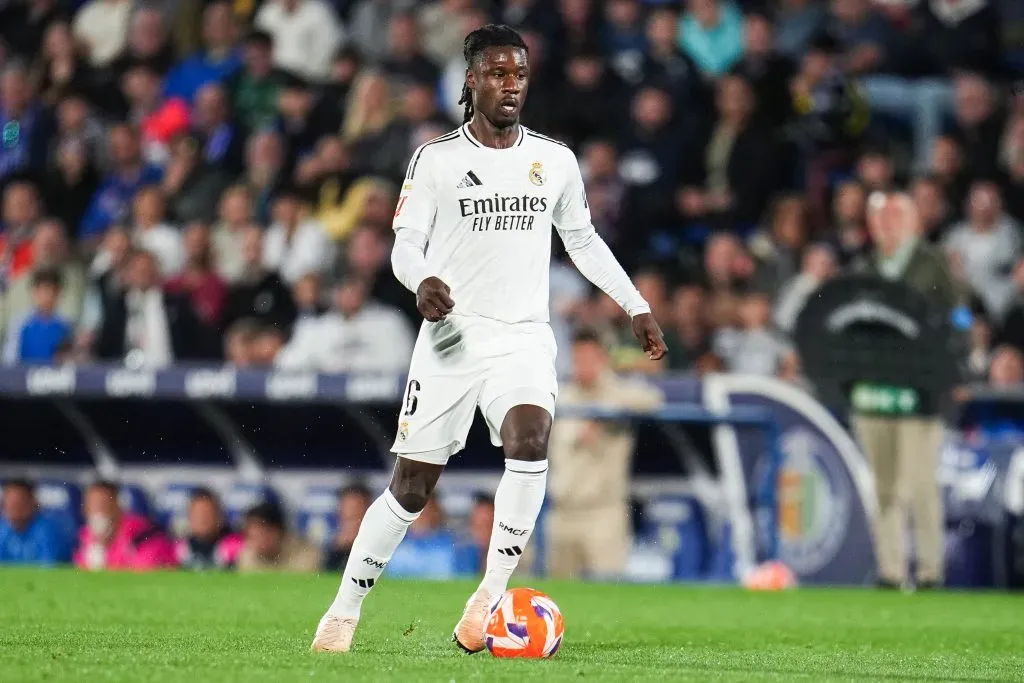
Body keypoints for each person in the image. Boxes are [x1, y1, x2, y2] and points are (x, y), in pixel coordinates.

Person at [310, 24, 667, 654]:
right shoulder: (436, 159)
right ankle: (344, 611)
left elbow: (581, 239)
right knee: (413, 486)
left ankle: (487, 598)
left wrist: (634, 305)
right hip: (451, 339)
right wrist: (421, 281)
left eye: (519, 74)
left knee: (531, 440)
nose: (510, 85)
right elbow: (404, 246)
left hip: (524, 336)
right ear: (470, 80)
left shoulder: (553, 160)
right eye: (497, 73)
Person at [852, 192, 958, 590]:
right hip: (875, 387)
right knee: (884, 483)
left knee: (919, 482)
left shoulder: (931, 264)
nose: (886, 223)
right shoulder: (865, 266)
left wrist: (952, 368)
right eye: (880, 216)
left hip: (921, 388)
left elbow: (959, 314)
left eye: (895, 216)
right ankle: (891, 569)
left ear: (912, 221)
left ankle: (930, 570)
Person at [547, 329, 663, 579]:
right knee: (557, 591)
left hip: (603, 512)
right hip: (562, 511)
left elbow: (654, 400)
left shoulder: (617, 394)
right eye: (578, 359)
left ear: (602, 360)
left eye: (589, 359)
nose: (583, 366)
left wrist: (606, 411)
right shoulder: (562, 397)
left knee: (608, 591)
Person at [73, 481, 176, 571]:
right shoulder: (86, 537)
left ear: (117, 506)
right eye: (91, 506)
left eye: (102, 504)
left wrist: (106, 558)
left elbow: (144, 570)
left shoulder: (141, 533)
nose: (97, 512)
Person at [237, 501, 321, 573]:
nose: (252, 544)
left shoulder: (305, 554)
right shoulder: (247, 555)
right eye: (249, 537)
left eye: (256, 536)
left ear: (275, 532)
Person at [174, 488, 243, 570]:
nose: (203, 519)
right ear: (189, 516)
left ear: (218, 517)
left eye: (207, 513)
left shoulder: (237, 549)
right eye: (198, 514)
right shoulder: (177, 550)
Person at [0, 478, 63, 564]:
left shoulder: (46, 531)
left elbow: (49, 567)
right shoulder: (2, 530)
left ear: (32, 503)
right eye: (11, 502)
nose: (15, 508)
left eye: (19, 502)